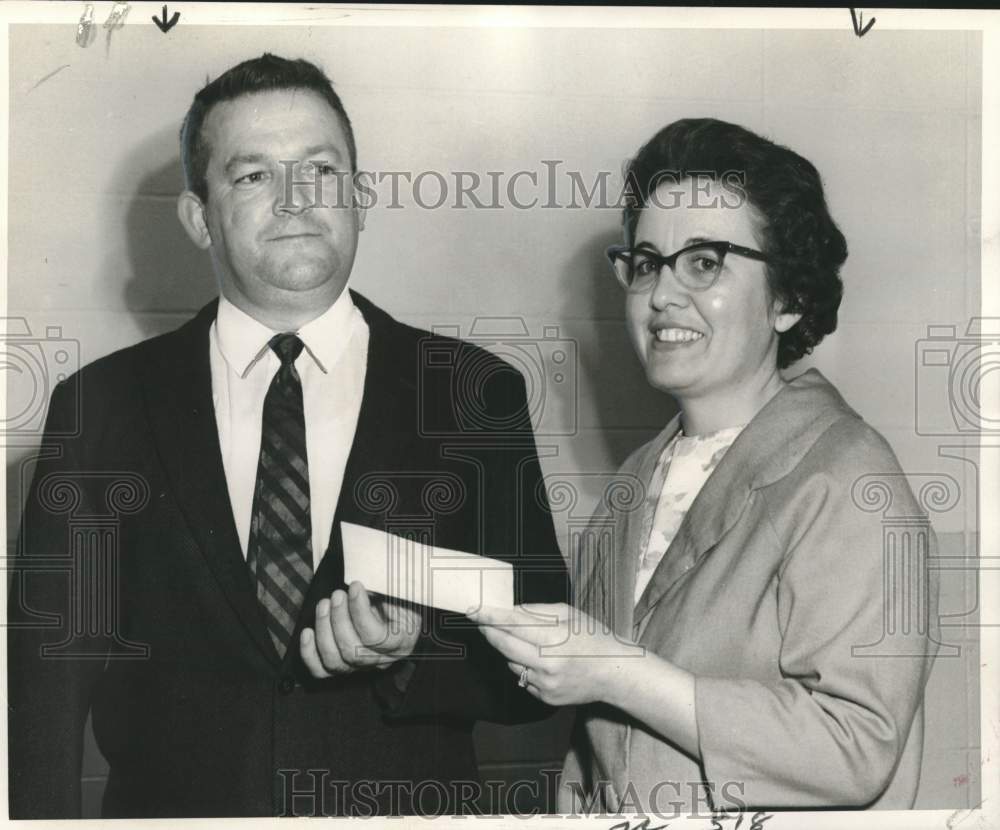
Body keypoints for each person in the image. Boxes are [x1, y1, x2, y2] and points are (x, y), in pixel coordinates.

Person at [7, 53, 566, 818]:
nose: (297, 199)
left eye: (321, 171)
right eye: (252, 176)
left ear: (361, 198)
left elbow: (543, 659)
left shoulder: (472, 394)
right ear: (199, 217)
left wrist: (411, 655)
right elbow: (44, 693)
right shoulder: (100, 406)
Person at [471, 118, 939, 813]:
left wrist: (614, 672)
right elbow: (595, 757)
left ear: (789, 299)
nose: (661, 294)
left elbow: (856, 747)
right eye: (648, 260)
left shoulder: (849, 478)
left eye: (704, 261)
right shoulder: (634, 481)